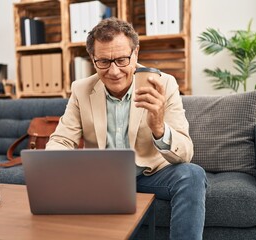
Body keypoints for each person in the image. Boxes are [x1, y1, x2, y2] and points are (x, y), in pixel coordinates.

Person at [46, 17, 207, 240]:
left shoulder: (163, 84)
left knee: (192, 175)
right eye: (103, 61)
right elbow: (60, 141)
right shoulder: (81, 89)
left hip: (150, 174)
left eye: (122, 60)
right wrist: (63, 166)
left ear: (136, 54)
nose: (113, 71)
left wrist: (159, 127)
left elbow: (186, 152)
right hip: (102, 178)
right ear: (93, 60)